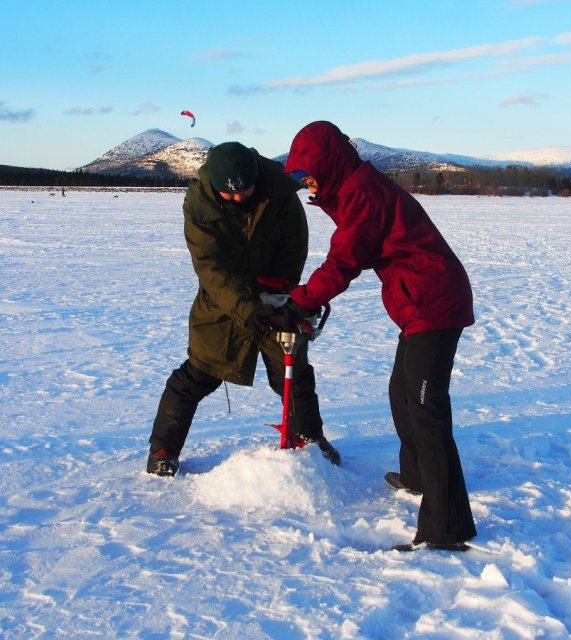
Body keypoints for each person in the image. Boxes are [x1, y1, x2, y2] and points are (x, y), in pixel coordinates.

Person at [278, 121, 477, 551]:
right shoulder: (353, 188)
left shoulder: (361, 194)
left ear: (327, 162)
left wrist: (303, 300)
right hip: (421, 302)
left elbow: (345, 259)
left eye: (306, 172)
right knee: (401, 390)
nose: (304, 182)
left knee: (427, 409)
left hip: (434, 301)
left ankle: (446, 529)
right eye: (296, 178)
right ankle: (417, 476)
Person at [146, 141, 340, 476]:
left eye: (244, 190)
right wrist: (244, 306)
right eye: (228, 193)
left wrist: (279, 298)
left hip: (275, 298)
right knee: (195, 378)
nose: (237, 198)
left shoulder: (280, 197)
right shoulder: (199, 204)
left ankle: (310, 440)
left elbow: (294, 250)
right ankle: (163, 449)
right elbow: (210, 267)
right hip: (221, 303)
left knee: (294, 376)